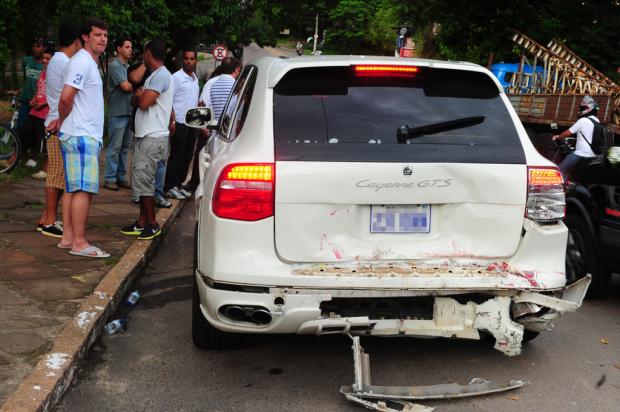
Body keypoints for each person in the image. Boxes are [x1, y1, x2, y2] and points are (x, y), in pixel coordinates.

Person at [57, 17, 110, 258]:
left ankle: (68, 238)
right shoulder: (82, 62)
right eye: (97, 35)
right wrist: (62, 118)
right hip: (81, 134)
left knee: (72, 188)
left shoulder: (86, 61)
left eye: (105, 36)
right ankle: (79, 242)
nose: (102, 40)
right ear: (85, 37)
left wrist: (63, 121)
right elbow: (67, 97)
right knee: (83, 190)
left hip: (78, 133)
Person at [121, 39, 174, 240]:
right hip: (146, 135)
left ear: (148, 53)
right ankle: (142, 221)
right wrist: (140, 96)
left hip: (152, 137)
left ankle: (152, 223)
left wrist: (141, 95)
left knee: (145, 181)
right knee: (141, 179)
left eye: (144, 53)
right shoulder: (155, 76)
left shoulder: (161, 76)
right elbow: (140, 98)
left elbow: (142, 102)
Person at [38, 24, 82, 238]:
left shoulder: (57, 60)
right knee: (56, 175)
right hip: (58, 123)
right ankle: (49, 221)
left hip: (56, 121)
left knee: (57, 174)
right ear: (76, 41)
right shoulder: (65, 62)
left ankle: (46, 217)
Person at [164, 49, 199, 200]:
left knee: (187, 156)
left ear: (195, 60)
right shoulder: (176, 77)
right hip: (179, 122)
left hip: (192, 123)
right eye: (186, 58)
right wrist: (171, 120)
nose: (188, 61)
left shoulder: (195, 78)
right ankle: (169, 186)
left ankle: (178, 184)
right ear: (182, 60)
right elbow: (169, 100)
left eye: (191, 59)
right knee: (177, 156)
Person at [103, 37, 134, 191]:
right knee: (115, 147)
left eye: (131, 47)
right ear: (119, 49)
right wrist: (139, 88)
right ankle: (110, 178)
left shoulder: (128, 67)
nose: (130, 49)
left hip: (128, 112)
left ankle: (121, 177)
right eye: (127, 46)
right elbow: (126, 87)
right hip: (118, 112)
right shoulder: (115, 66)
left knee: (125, 147)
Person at [553, 95, 600, 179]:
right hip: (593, 156)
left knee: (559, 171)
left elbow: (567, 134)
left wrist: (557, 137)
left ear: (588, 109)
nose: (581, 110)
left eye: (582, 108)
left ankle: (559, 188)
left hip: (580, 155)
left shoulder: (583, 120)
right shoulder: (597, 122)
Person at [21, 47, 53, 168]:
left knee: (40, 137)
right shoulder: (42, 73)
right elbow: (39, 89)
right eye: (43, 58)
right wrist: (34, 99)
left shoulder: (53, 74)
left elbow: (55, 94)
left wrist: (43, 104)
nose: (44, 60)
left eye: (48, 58)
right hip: (35, 109)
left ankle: (36, 159)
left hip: (45, 111)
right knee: (25, 132)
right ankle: (20, 156)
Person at [19, 37, 46, 166]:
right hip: (26, 100)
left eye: (39, 46)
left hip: (39, 104)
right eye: (34, 46)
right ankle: (20, 154)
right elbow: (26, 78)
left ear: (44, 48)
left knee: (36, 131)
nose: (36, 48)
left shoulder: (45, 65)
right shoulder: (26, 61)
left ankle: (35, 155)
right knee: (22, 128)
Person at [209, 56, 242, 121]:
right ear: (236, 69)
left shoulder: (213, 85)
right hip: (230, 127)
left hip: (216, 127)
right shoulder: (236, 85)